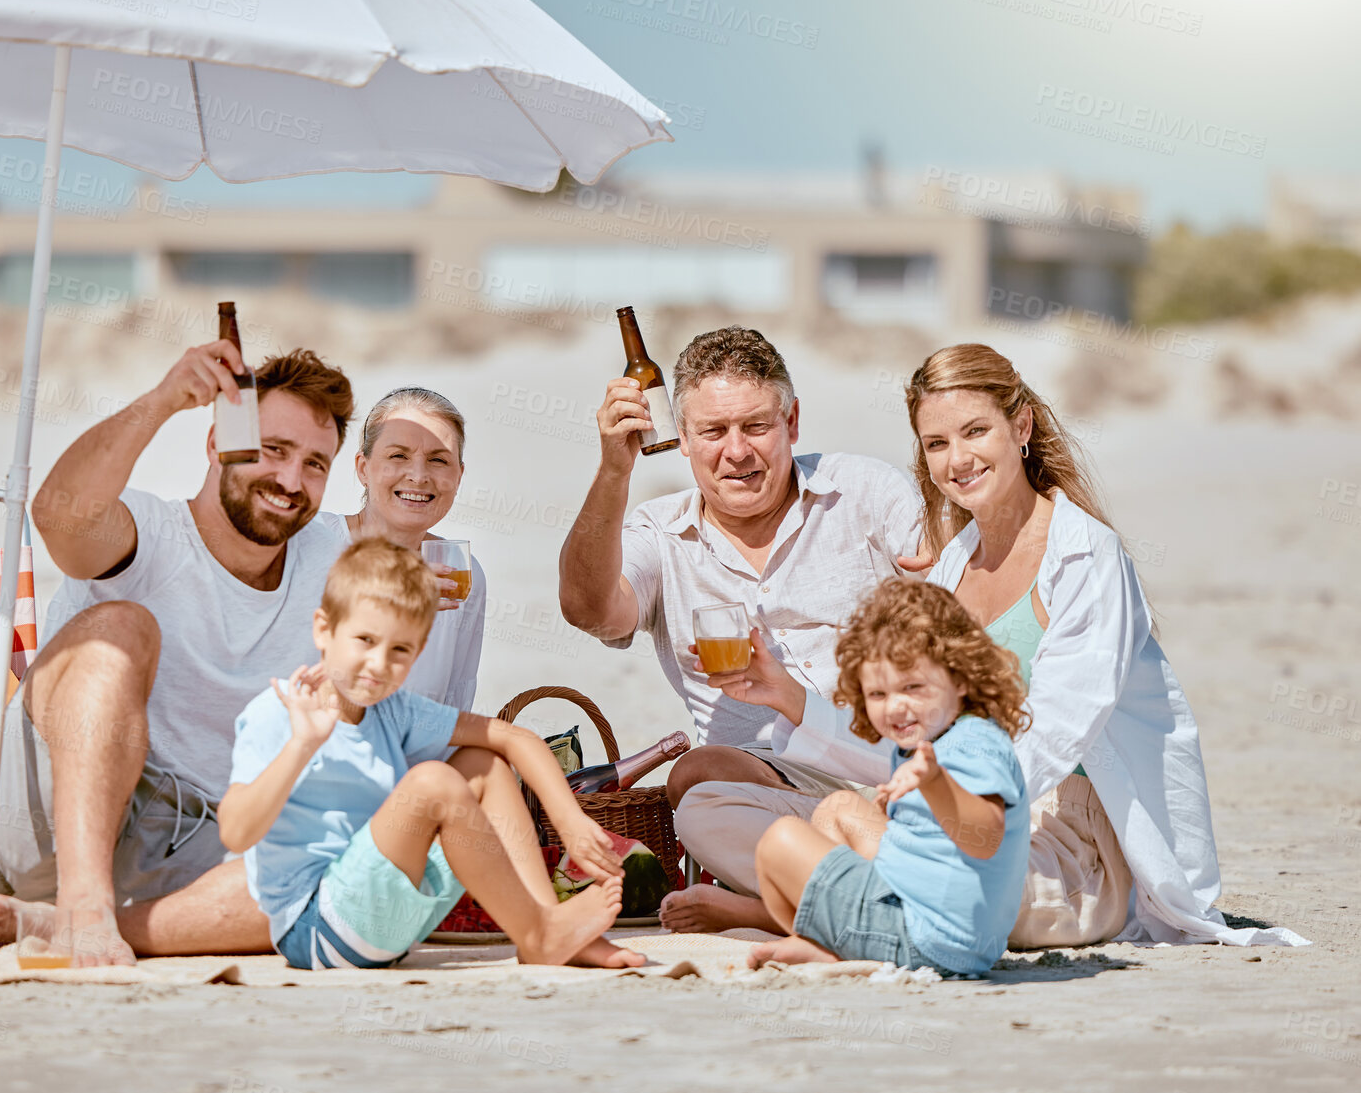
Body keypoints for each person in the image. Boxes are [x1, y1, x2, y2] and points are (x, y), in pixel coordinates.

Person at [0, 341, 356, 966]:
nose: (290, 481)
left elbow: (407, 494)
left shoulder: (330, 558)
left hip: (190, 849)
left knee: (339, 881)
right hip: (39, 817)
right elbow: (58, 516)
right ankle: (84, 905)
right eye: (273, 451)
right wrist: (164, 400)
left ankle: (71, 924)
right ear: (218, 444)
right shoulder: (149, 534)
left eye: (315, 464)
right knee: (120, 626)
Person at [903, 343, 1303, 947]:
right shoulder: (950, 569)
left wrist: (970, 803)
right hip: (971, 802)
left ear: (1021, 427)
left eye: (975, 431)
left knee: (936, 891)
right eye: (936, 443)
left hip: (1084, 827)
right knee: (827, 827)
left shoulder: (1085, 553)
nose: (957, 459)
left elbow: (1065, 716)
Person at [557, 325, 921, 935]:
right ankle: (874, 882)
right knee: (697, 782)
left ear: (792, 422)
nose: (737, 451)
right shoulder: (658, 531)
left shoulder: (865, 492)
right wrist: (612, 472)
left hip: (889, 758)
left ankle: (780, 905)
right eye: (712, 431)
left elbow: (953, 605)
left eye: (755, 427)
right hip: (773, 786)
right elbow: (589, 609)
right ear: (682, 439)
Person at [221, 537, 644, 969]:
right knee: (433, 781)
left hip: (388, 917)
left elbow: (514, 738)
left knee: (484, 765)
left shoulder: (393, 709)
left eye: (399, 650)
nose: (379, 664)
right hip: (316, 929)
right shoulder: (278, 712)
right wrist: (302, 744)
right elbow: (235, 834)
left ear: (417, 653)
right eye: (364, 639)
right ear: (323, 630)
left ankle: (548, 928)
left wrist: (571, 823)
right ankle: (540, 931)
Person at [745, 579, 1031, 975]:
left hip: (931, 938)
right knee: (839, 807)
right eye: (877, 694)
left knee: (780, 840)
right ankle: (828, 941)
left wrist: (935, 785)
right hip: (942, 924)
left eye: (913, 687)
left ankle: (837, 946)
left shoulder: (974, 743)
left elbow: (985, 839)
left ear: (962, 678)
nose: (896, 707)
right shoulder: (936, 737)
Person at [319, 386, 485, 709]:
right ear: (363, 468)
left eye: (439, 460)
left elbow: (453, 708)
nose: (419, 476)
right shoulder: (317, 541)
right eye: (398, 456)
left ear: (459, 476)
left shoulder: (462, 573)